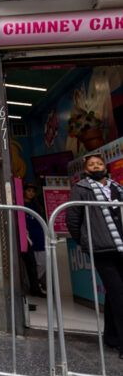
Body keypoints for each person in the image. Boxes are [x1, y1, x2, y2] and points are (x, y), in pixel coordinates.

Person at [66, 152, 123, 358]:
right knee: (118, 292)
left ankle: (112, 337)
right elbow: (73, 219)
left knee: (114, 292)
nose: (97, 166)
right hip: (101, 248)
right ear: (86, 169)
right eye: (92, 164)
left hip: (120, 246)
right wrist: (86, 241)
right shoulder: (81, 189)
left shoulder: (117, 187)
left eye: (100, 163)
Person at [22, 182, 46, 297]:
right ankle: (34, 286)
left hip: (39, 236)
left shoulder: (37, 205)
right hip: (27, 237)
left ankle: (34, 283)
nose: (30, 193)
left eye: (32, 191)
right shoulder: (20, 205)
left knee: (42, 262)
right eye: (28, 190)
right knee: (31, 263)